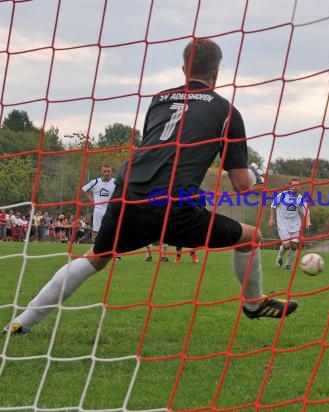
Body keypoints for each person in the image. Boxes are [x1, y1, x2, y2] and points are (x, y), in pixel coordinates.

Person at [4, 38, 297, 336]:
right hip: (170, 204)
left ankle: (21, 322)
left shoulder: (159, 99)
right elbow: (240, 184)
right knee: (251, 237)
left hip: (127, 193)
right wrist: (257, 176)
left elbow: (158, 150)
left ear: (184, 69)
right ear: (217, 73)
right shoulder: (227, 111)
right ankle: (252, 303)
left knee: (94, 258)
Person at [268, 178, 311, 270]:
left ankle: (288, 265)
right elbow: (273, 206)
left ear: (299, 186)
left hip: (295, 223)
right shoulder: (282, 195)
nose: (295, 187)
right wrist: (272, 218)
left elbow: (306, 211)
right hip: (282, 223)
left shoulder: (301, 199)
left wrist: (308, 221)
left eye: (297, 185)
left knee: (294, 246)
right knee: (286, 246)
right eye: (293, 185)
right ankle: (280, 257)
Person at [82, 165, 117, 241]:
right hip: (98, 210)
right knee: (96, 231)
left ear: (111, 172)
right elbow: (85, 189)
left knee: (111, 231)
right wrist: (92, 200)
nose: (106, 173)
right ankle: (96, 248)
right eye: (104, 171)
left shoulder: (115, 182)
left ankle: (110, 248)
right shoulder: (95, 182)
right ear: (101, 172)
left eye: (108, 171)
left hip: (110, 210)